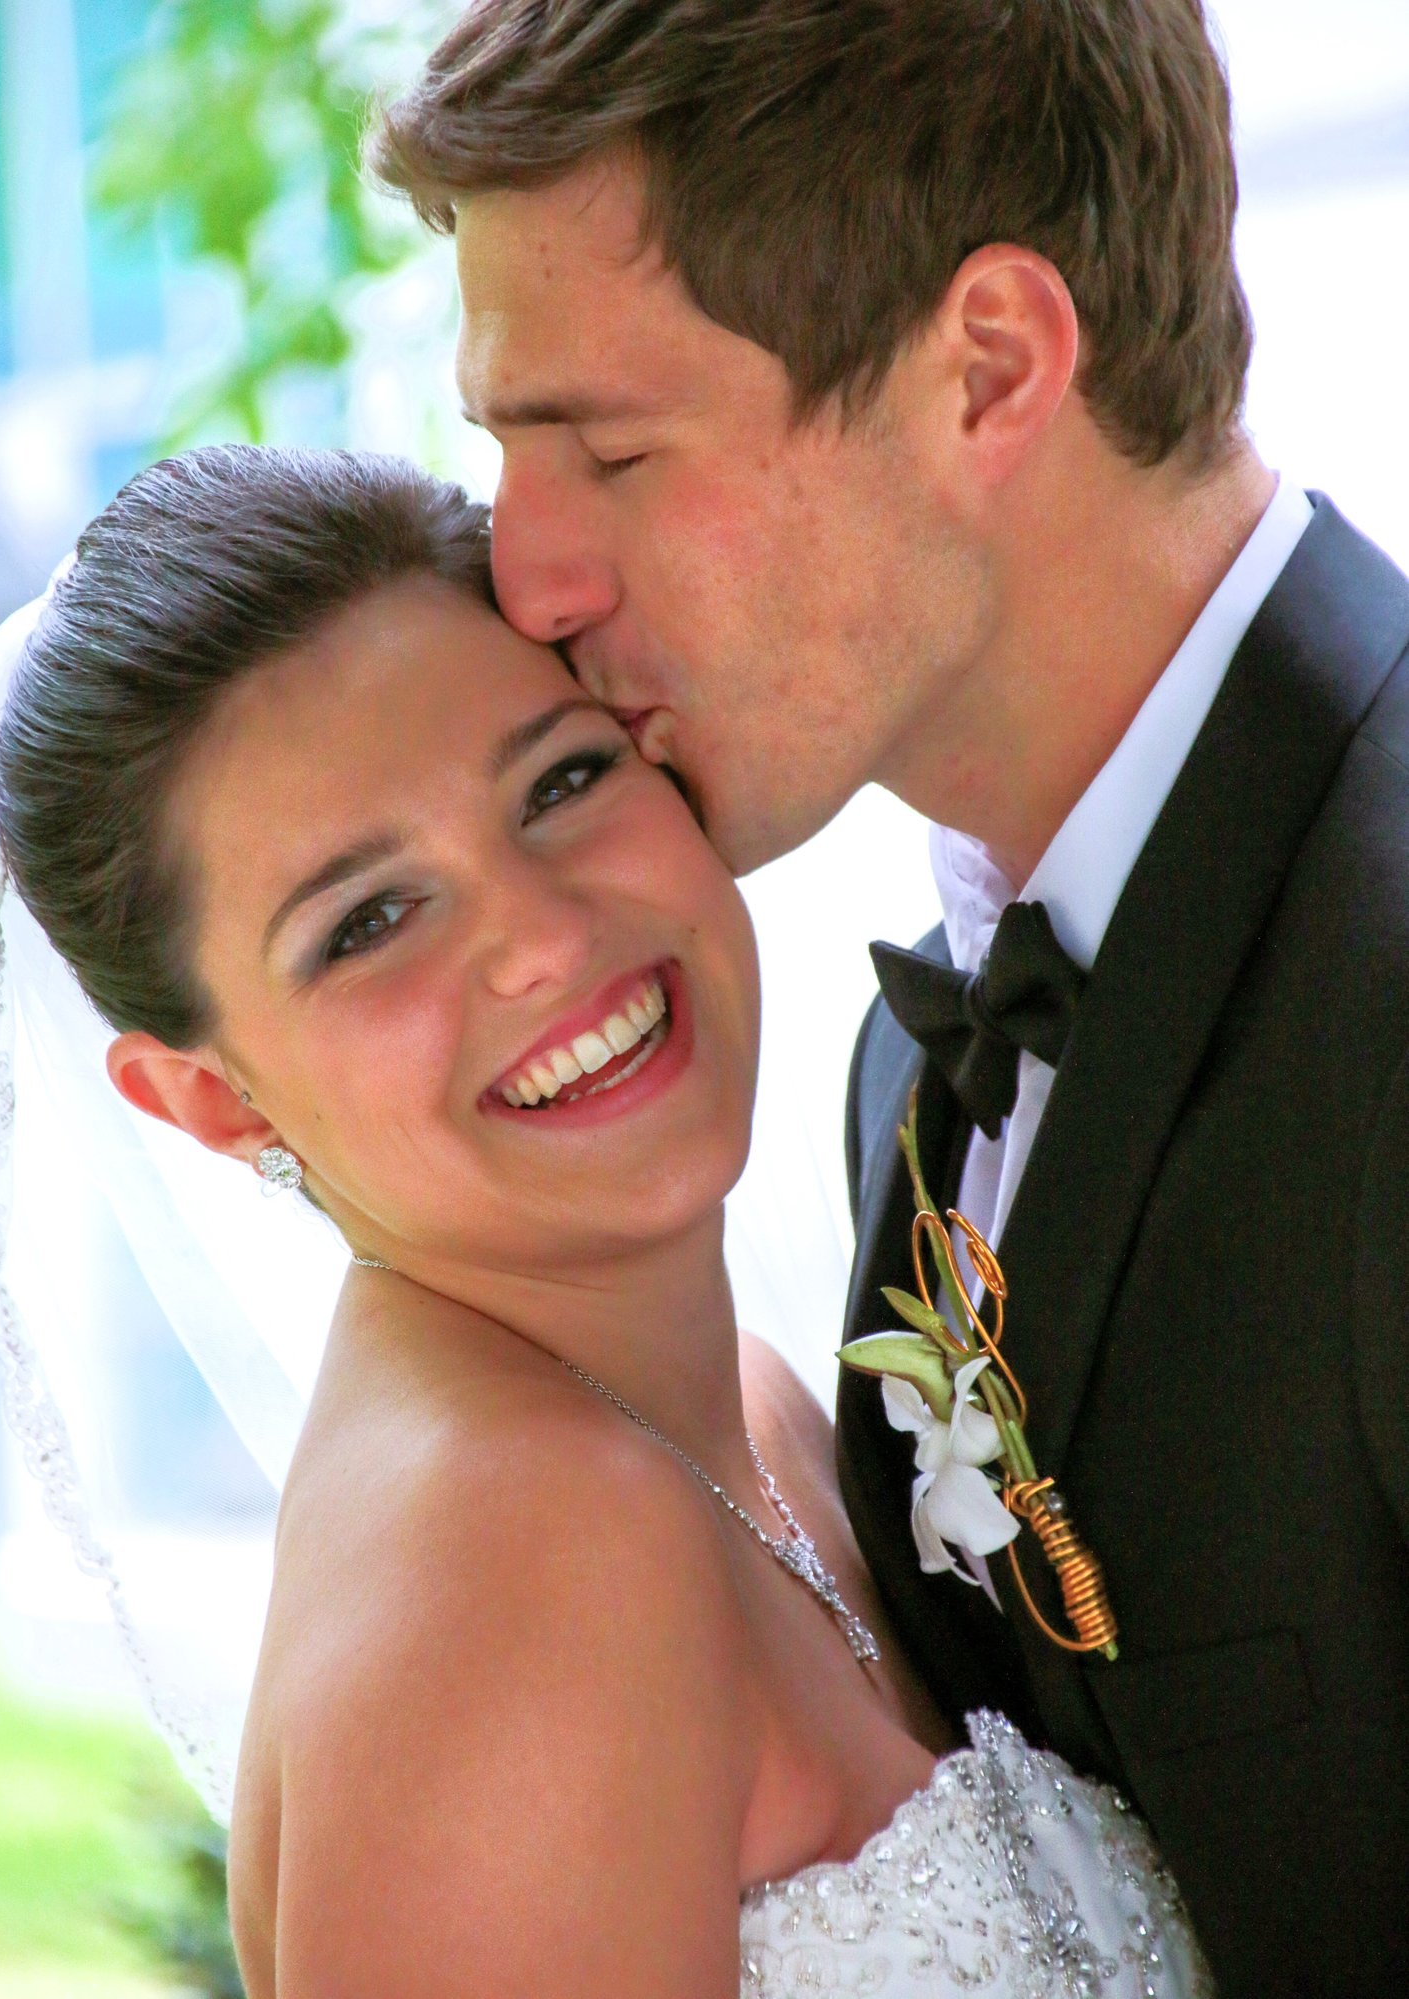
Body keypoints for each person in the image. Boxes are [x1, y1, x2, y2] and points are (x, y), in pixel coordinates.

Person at [366, 2, 1409, 1992]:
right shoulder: (906, 1061)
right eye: (504, 456)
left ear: (989, 368)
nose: (532, 577)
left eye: (604, 447)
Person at [0, 442, 1210, 1997]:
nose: (544, 936)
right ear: (214, 1105)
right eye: (369, 920)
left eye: (562, 780)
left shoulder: (757, 1401)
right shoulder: (519, 1585)